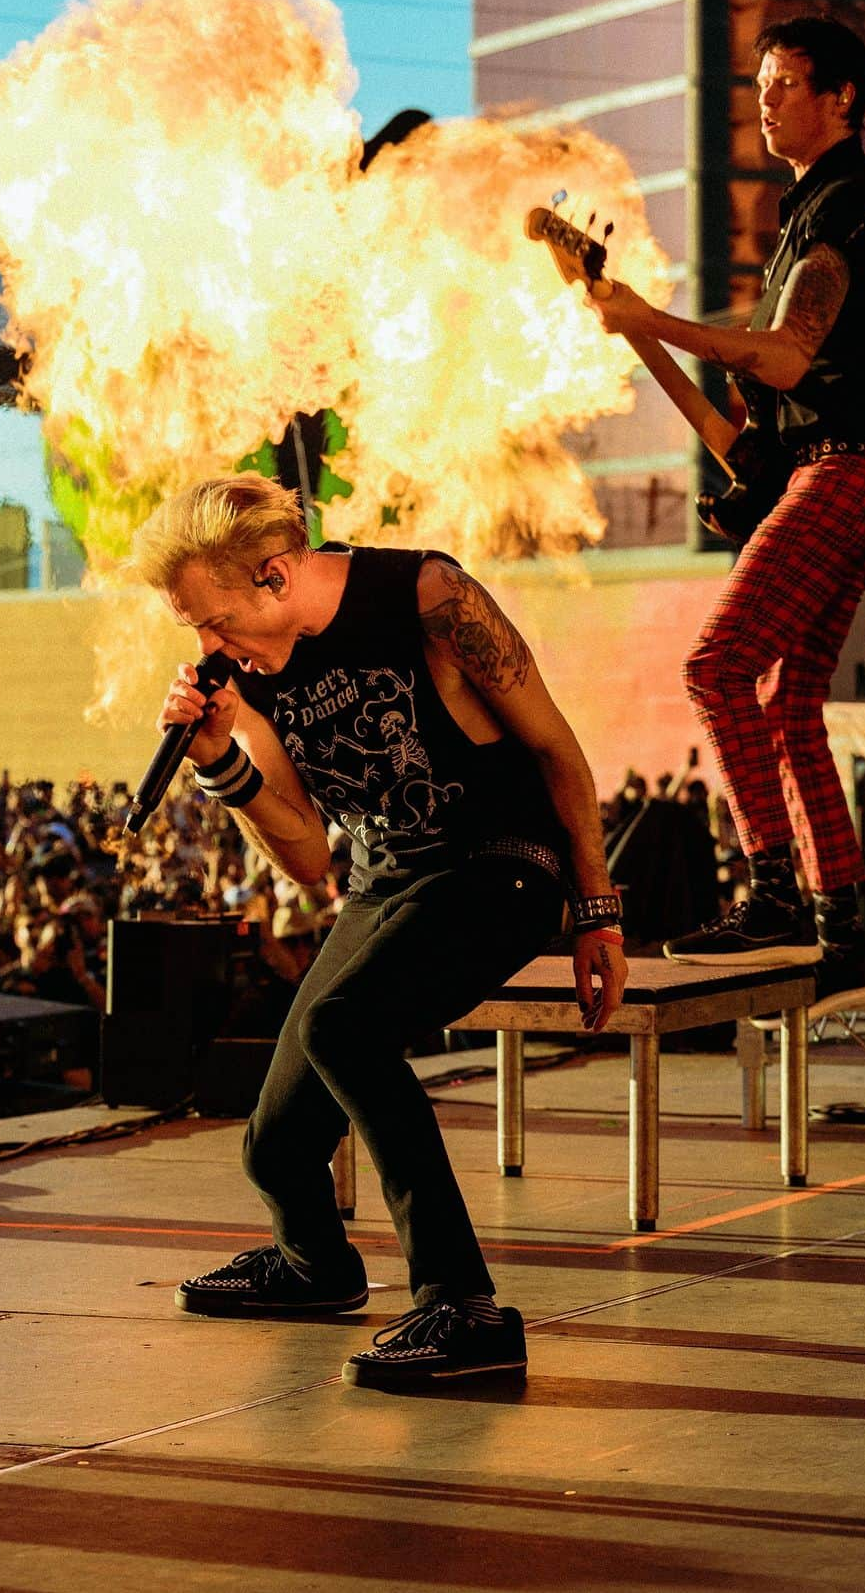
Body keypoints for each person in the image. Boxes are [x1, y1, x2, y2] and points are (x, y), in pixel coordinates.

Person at [130, 472, 626, 1391]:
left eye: (214, 620)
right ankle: (317, 1267)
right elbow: (310, 854)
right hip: (384, 882)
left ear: (275, 576)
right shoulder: (259, 672)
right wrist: (221, 767)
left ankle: (464, 1307)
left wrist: (597, 913)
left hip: (500, 862)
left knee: (342, 1028)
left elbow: (558, 749)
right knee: (274, 1145)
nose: (208, 647)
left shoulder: (428, 598)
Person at [588, 14, 865, 1015]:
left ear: (840, 97)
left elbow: (782, 356)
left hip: (854, 473)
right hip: (828, 469)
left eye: (782, 83)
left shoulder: (852, 207)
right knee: (783, 704)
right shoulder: (803, 214)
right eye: (761, 84)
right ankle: (842, 928)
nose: (763, 100)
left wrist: (658, 321)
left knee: (715, 668)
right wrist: (641, 336)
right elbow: (749, 429)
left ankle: (772, 889)